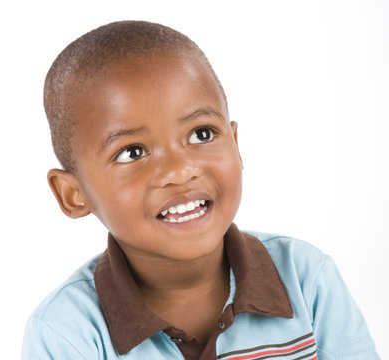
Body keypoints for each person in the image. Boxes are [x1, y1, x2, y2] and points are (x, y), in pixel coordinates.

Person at [22, 21, 380, 360]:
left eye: (201, 134)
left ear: (236, 145)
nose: (179, 171)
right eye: (132, 152)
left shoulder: (306, 279)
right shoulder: (66, 330)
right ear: (73, 193)